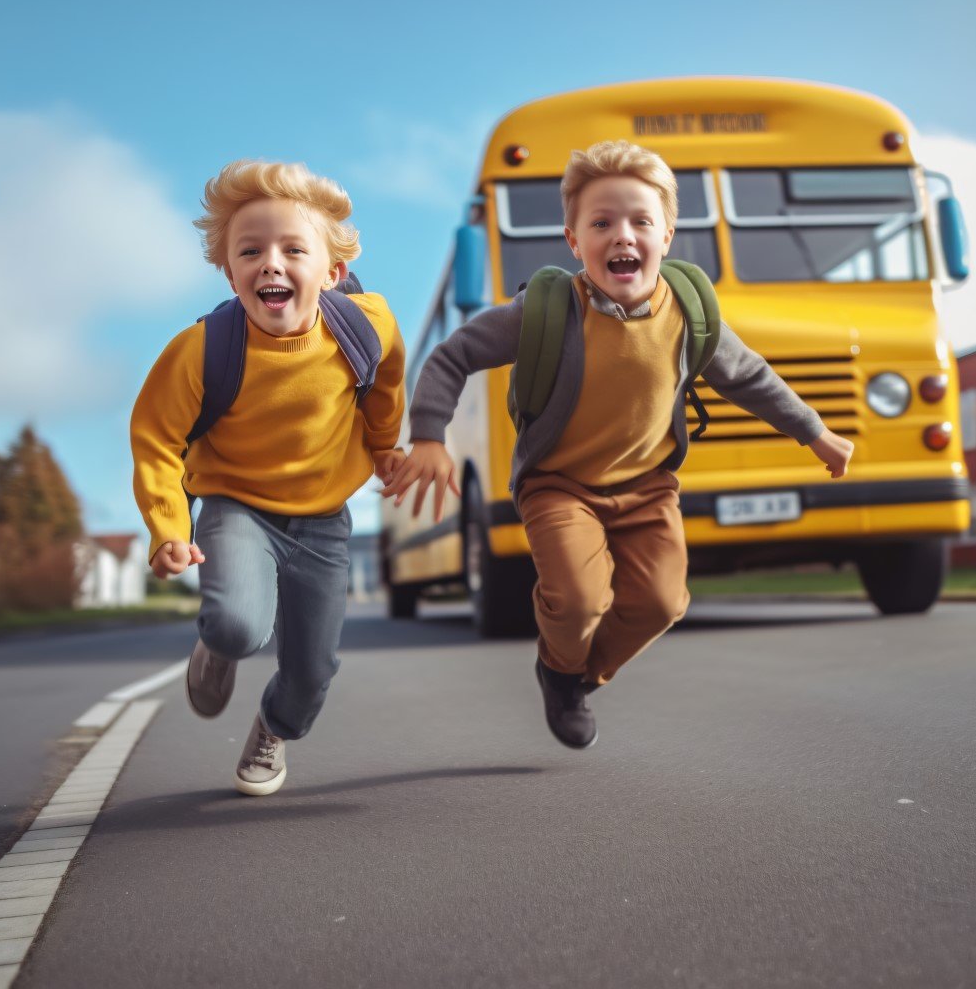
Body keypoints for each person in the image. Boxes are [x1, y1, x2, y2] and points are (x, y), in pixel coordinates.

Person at [383, 140, 852, 749]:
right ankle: (561, 662)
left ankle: (571, 677)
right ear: (574, 242)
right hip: (559, 485)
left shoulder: (689, 312)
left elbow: (750, 377)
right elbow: (453, 356)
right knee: (578, 600)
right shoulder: (547, 311)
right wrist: (427, 436)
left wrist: (815, 432)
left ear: (667, 233)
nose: (621, 236)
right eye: (601, 223)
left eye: (639, 221)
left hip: (648, 486)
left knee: (661, 602)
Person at [132, 160, 405, 794]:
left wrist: (386, 445)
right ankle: (217, 648)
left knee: (312, 672)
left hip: (323, 521)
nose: (270, 264)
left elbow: (386, 379)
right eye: (250, 251)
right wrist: (168, 528)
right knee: (238, 624)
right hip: (236, 505)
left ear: (332, 274)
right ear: (229, 271)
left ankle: (273, 728)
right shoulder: (199, 351)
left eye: (292, 249)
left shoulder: (365, 325)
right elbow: (156, 442)